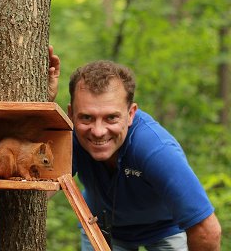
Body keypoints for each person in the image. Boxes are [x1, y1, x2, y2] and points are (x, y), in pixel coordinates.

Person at [48, 47, 221, 251]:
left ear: (131, 114)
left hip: (164, 229)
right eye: (86, 117)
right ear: (71, 114)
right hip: (101, 225)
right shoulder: (72, 138)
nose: (98, 131)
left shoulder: (156, 149)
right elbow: (35, 186)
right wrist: (43, 105)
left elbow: (207, 230)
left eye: (111, 117)